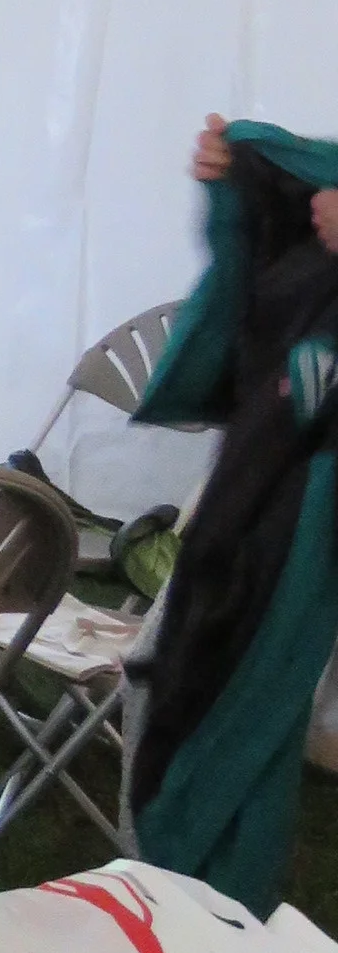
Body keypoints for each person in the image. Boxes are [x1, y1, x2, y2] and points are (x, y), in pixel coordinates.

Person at [121, 112, 338, 908]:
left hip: (307, 495)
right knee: (210, 676)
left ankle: (207, 908)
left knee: (248, 694)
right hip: (275, 473)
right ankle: (187, 898)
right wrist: (244, 187)